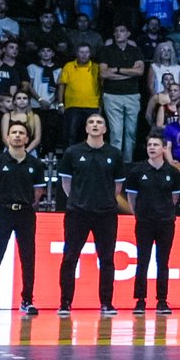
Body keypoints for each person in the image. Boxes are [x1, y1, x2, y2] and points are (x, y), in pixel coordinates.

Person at [56, 112, 125, 317]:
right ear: (86, 128)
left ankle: (106, 303)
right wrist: (79, 200)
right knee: (70, 258)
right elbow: (66, 184)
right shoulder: (73, 152)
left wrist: (103, 200)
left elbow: (118, 186)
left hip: (106, 214)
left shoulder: (114, 153)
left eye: (99, 123)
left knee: (107, 259)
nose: (95, 125)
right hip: (77, 213)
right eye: (91, 122)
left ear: (105, 129)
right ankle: (65, 303)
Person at [0, 122, 47, 316]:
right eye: (14, 133)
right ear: (7, 137)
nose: (17, 136)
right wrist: (0, 206)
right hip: (2, 212)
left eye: (21, 133)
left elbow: (38, 192)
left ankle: (27, 299)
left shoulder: (35, 164)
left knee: (28, 257)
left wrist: (25, 204)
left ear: (27, 139)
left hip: (26, 213)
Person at [121, 131, 180, 315]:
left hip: (165, 222)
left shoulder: (172, 172)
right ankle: (140, 300)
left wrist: (163, 211)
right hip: (144, 222)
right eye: (149, 145)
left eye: (156, 145)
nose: (152, 148)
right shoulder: (137, 171)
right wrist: (140, 213)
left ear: (164, 148)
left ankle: (162, 301)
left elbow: (174, 198)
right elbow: (132, 197)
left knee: (163, 261)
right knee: (143, 260)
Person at [98, 23, 145, 161]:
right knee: (116, 132)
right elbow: (104, 74)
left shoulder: (135, 51)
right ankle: (116, 163)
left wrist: (117, 69)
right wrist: (129, 72)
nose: (119, 33)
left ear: (128, 34)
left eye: (122, 31)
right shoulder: (106, 50)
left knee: (131, 132)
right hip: (112, 95)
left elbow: (140, 71)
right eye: (116, 31)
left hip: (132, 95)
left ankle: (128, 162)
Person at [57, 42, 101, 146]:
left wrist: (101, 106)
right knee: (70, 136)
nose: (84, 55)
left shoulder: (96, 67)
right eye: (81, 52)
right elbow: (61, 85)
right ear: (76, 53)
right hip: (73, 107)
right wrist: (60, 104)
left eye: (87, 52)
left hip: (92, 106)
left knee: (91, 136)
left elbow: (102, 88)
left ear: (90, 54)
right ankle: (69, 160)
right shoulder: (68, 66)